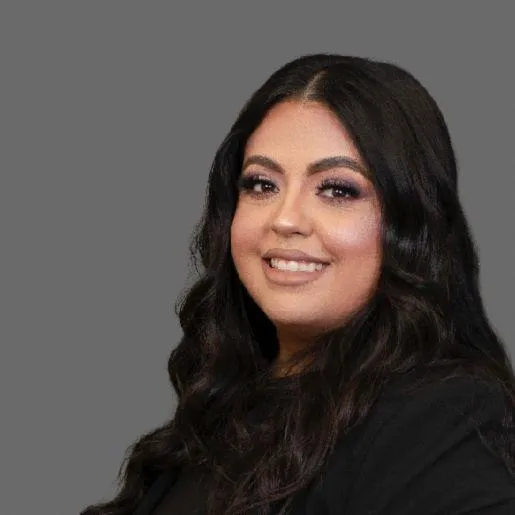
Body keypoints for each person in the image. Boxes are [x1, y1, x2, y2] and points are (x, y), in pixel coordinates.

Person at [81, 54, 515, 515]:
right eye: (261, 185)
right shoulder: (219, 413)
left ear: (411, 223)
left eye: (338, 190)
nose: (285, 219)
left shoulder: (444, 417)